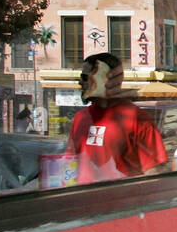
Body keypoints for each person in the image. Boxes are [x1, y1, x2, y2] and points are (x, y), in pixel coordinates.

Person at [65, 52, 169, 183]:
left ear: (103, 79)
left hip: (120, 201)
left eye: (84, 77)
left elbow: (154, 173)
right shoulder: (80, 118)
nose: (80, 82)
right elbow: (70, 163)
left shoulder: (138, 119)